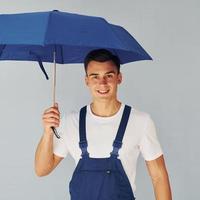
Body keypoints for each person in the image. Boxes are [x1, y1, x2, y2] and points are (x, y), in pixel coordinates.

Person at [35, 49, 172, 199]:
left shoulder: (141, 121)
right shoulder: (71, 122)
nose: (102, 83)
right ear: (86, 80)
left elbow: (159, 178)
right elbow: (41, 170)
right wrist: (48, 132)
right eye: (95, 77)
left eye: (109, 75)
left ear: (119, 78)